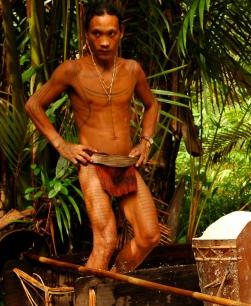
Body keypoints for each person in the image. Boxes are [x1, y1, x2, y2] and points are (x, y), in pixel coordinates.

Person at [25, 1, 161, 273]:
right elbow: (33, 105)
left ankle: (112, 282)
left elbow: (152, 105)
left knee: (149, 236)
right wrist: (61, 144)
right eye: (97, 33)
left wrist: (146, 141)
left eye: (110, 33)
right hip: (93, 164)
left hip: (125, 164)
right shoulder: (72, 71)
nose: (104, 41)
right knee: (106, 240)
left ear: (120, 33)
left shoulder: (132, 70)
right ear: (86, 34)